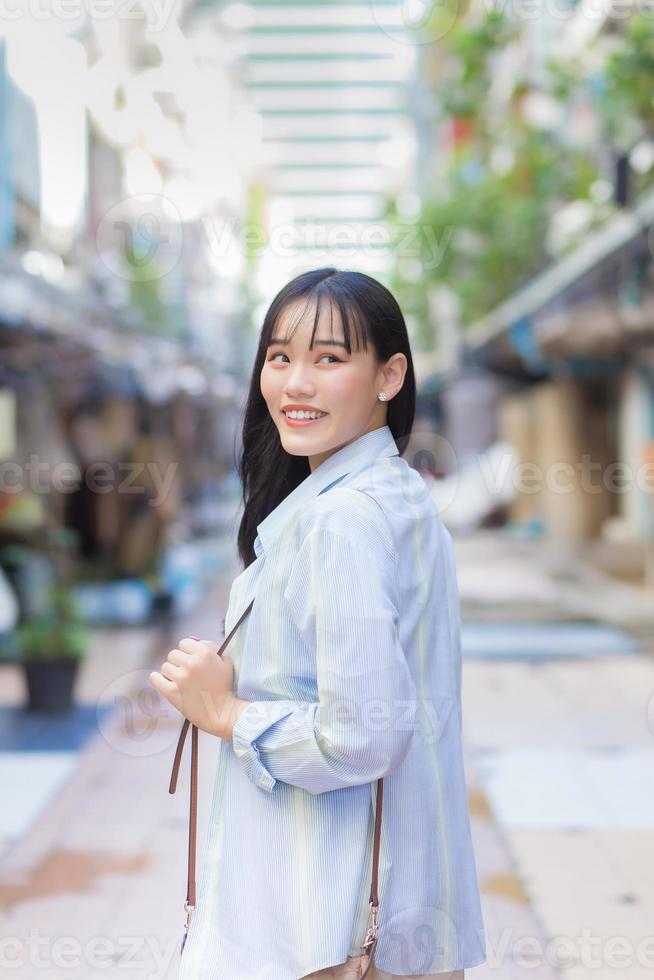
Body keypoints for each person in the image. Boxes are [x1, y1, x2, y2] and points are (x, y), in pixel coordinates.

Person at [149, 268, 487, 980]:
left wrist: (225, 709)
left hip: (323, 927)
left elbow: (362, 735)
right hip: (398, 911)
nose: (295, 383)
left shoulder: (342, 519)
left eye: (329, 359)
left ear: (389, 375)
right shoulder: (396, 495)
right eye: (280, 357)